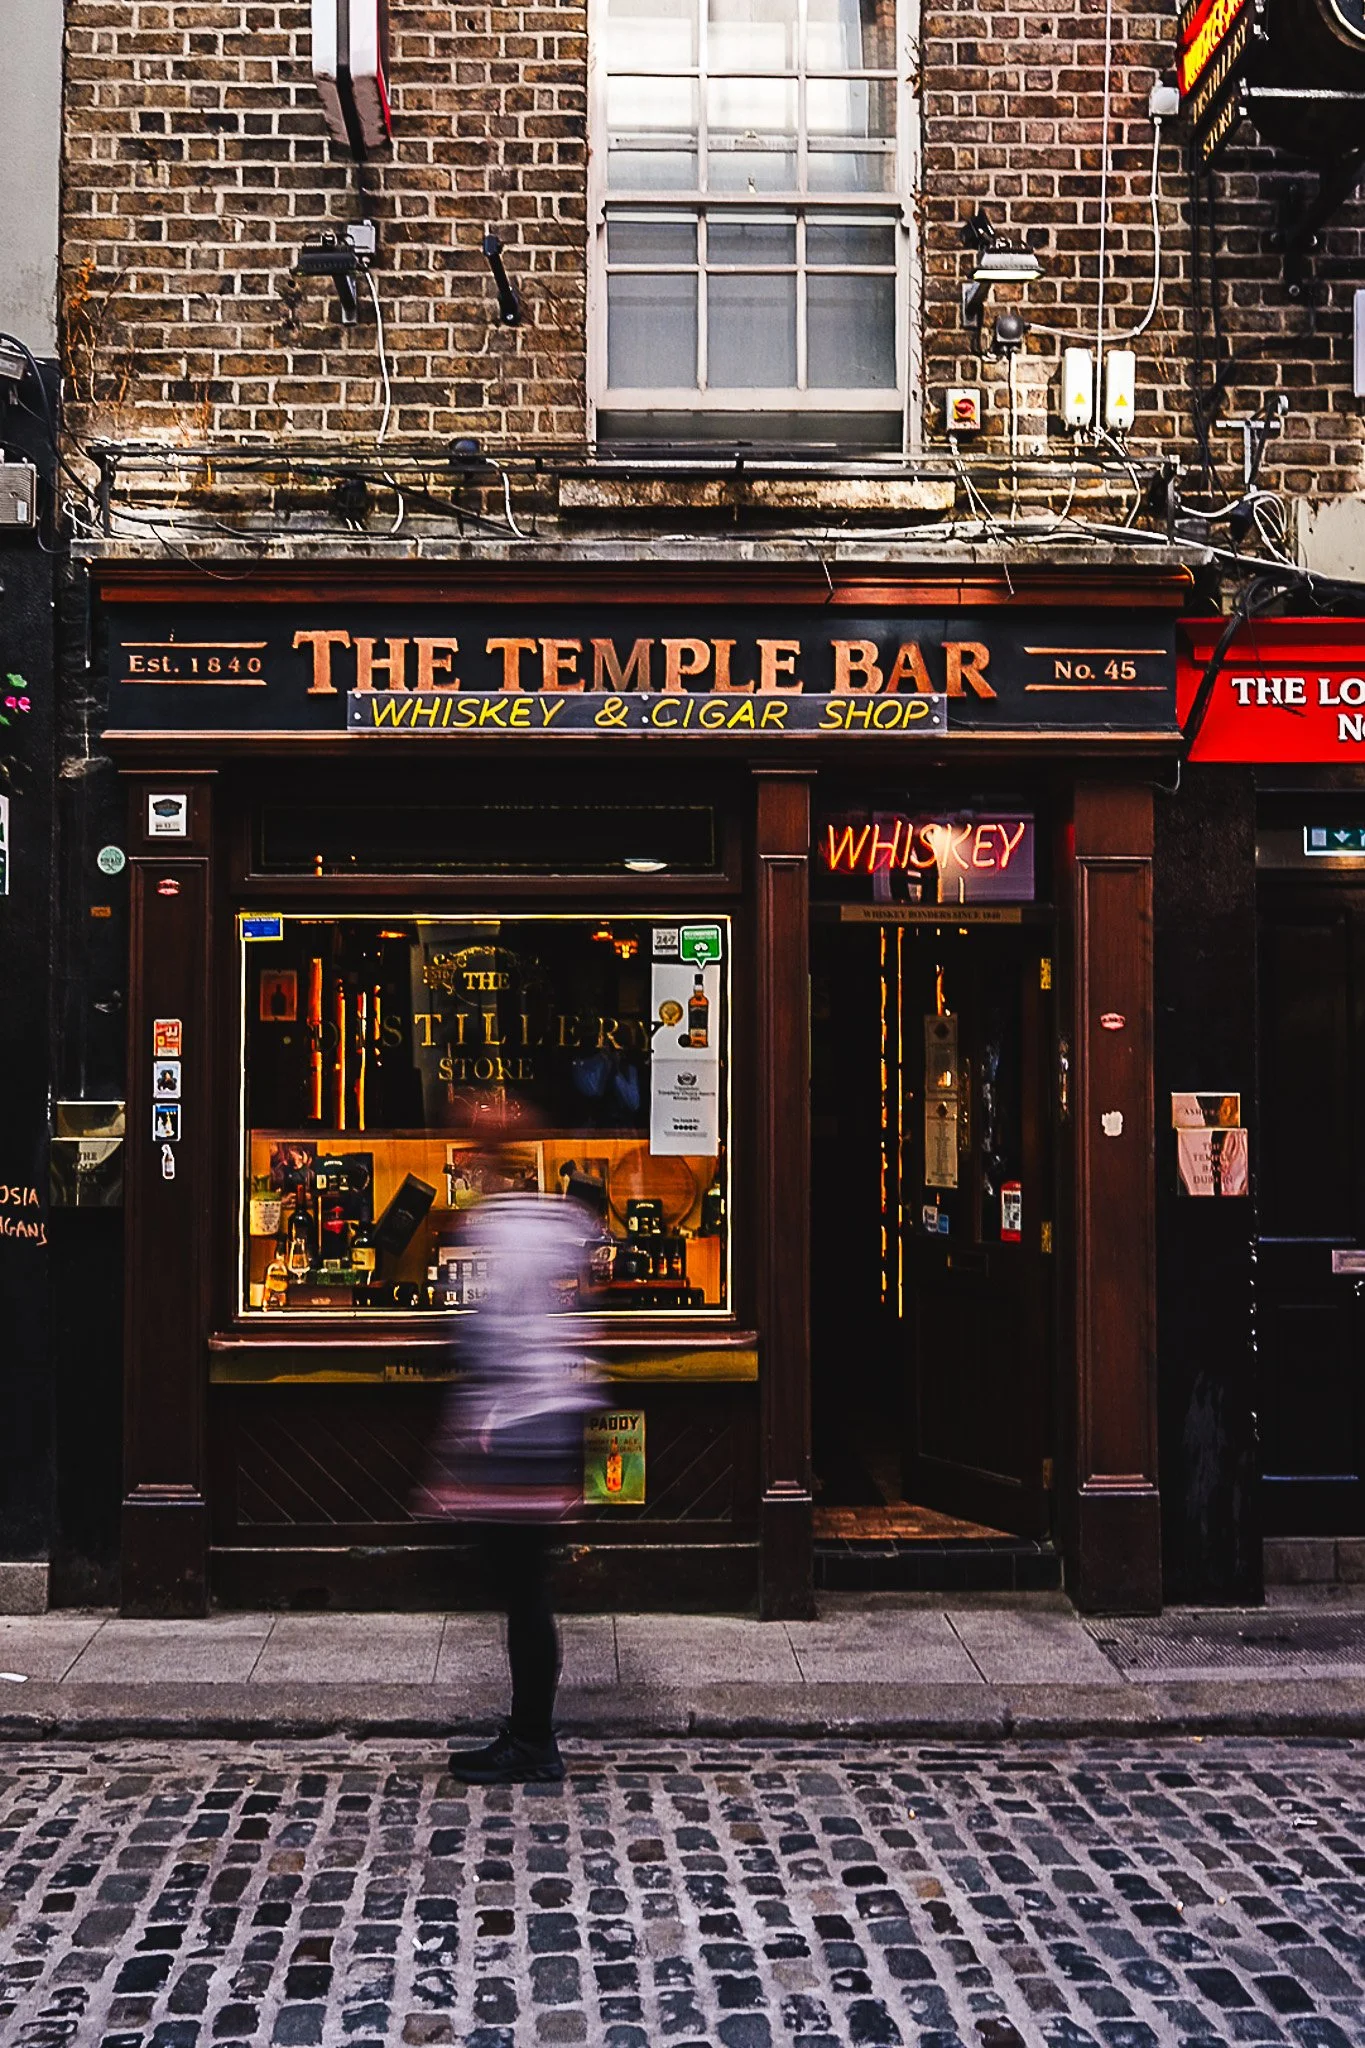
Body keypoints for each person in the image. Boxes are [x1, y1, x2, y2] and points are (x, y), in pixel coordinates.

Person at [420, 1154, 599, 1785]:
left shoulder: (502, 1228)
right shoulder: (556, 1219)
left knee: (522, 1589)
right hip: (547, 1421)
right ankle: (530, 1733)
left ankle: (532, 1739)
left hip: (521, 1430)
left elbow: (490, 1335)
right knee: (525, 1588)